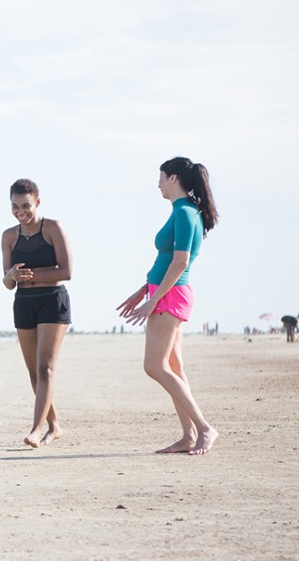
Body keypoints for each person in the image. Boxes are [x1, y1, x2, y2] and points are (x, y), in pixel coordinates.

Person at [116, 157, 220, 455]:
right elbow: (164, 262)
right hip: (164, 292)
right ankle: (188, 436)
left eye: (161, 177)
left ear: (173, 178)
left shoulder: (186, 213)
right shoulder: (181, 211)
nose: (158, 183)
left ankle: (204, 428)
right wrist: (143, 291)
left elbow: (181, 262)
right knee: (174, 367)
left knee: (154, 366)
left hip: (171, 296)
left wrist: (154, 299)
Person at [1, 178, 73, 449]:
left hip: (53, 300)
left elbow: (66, 271)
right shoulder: (9, 236)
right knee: (34, 372)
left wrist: (29, 276)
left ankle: (37, 428)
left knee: (46, 368)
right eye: (15, 206)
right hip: (24, 302)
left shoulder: (53, 227)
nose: (21, 212)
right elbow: (8, 283)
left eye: (26, 206)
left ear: (37, 202)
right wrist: (11, 276)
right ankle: (55, 426)